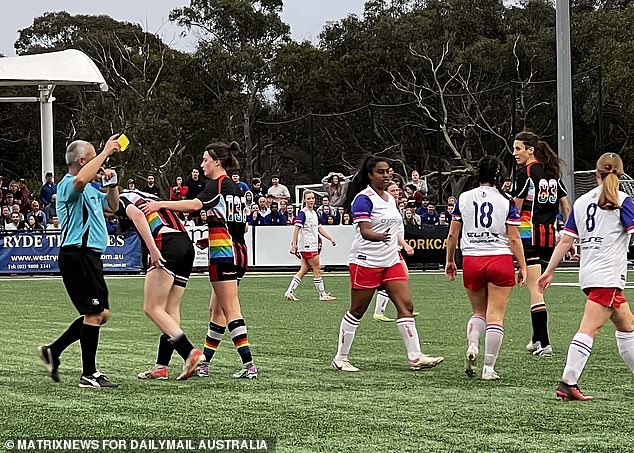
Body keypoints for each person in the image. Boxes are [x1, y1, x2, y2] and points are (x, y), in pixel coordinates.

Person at [143, 141, 256, 379]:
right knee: (217, 311)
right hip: (238, 251)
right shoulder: (236, 188)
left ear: (216, 161)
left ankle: (249, 365)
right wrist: (210, 238)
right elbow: (241, 226)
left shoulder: (217, 185)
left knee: (230, 308)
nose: (202, 164)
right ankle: (204, 363)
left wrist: (161, 203)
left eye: (205, 160)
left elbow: (195, 204)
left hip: (224, 254)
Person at [332, 156, 443, 372]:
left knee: (406, 306)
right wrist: (379, 237)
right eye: (381, 172)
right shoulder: (363, 199)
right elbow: (365, 231)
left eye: (388, 171)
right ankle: (340, 358)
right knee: (358, 310)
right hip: (366, 261)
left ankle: (415, 357)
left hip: (390, 260)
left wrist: (397, 243)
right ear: (370, 175)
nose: (386, 175)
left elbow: (395, 229)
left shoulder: (390, 199)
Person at [538, 153, 634, 400]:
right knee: (588, 329)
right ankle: (568, 382)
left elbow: (566, 240)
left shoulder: (581, 202)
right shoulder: (623, 200)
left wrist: (549, 270)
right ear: (621, 176)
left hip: (591, 275)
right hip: (608, 277)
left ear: (596, 173)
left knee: (627, 326)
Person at [37, 135, 121, 388]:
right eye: (94, 156)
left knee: (100, 314)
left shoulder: (91, 189)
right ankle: (89, 373)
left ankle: (54, 350)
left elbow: (113, 206)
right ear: (84, 160)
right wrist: (105, 152)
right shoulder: (67, 186)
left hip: (89, 256)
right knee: (94, 313)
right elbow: (81, 179)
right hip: (78, 255)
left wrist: (112, 184)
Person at [445, 156, 527, 380]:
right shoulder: (506, 200)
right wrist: (522, 265)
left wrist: (450, 260)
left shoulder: (464, 198)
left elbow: (453, 234)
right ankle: (489, 368)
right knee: (496, 315)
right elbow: (513, 237)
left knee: (478, 312)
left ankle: (473, 344)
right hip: (499, 259)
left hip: (472, 259)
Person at [117, 188, 202, 381]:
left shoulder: (122, 199)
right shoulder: (145, 195)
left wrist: (153, 249)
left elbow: (138, 216)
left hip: (165, 242)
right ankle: (161, 366)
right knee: (171, 310)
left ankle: (190, 353)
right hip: (185, 244)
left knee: (152, 307)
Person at [512, 131, 570, 357]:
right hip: (549, 237)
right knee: (536, 289)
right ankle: (537, 338)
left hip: (529, 236)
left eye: (518, 148)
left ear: (530, 150)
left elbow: (514, 208)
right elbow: (565, 206)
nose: (515, 153)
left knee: (535, 290)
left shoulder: (525, 172)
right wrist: (568, 234)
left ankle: (544, 343)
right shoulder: (551, 173)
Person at [372, 181, 417, 323]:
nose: (396, 193)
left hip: (394, 248)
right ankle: (395, 309)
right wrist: (405, 245)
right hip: (391, 248)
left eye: (397, 190)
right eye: (393, 190)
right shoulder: (386, 208)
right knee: (400, 277)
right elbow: (393, 232)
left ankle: (399, 309)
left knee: (398, 279)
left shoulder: (393, 207)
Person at [284, 190, 337, 302]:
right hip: (308, 245)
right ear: (304, 200)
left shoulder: (314, 213)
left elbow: (319, 228)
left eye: (312, 198)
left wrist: (330, 238)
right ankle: (322, 294)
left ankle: (290, 291)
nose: (311, 200)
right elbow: (296, 229)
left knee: (304, 269)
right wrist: (294, 245)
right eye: (308, 198)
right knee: (316, 268)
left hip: (309, 245)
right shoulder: (303, 213)